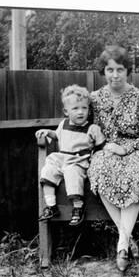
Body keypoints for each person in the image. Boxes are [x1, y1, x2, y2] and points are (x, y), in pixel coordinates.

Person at [87, 45, 139, 271]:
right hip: (107, 150)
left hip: (136, 151)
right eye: (110, 70)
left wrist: (127, 149)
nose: (114, 75)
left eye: (119, 69)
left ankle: (121, 243)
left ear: (127, 71)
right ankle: (125, 240)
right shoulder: (95, 98)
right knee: (98, 169)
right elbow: (77, 123)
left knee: (136, 173)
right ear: (103, 71)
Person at [36, 85, 105, 226]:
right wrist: (48, 132)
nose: (80, 112)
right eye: (75, 108)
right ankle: (51, 206)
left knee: (72, 172)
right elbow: (57, 136)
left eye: (84, 108)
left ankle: (78, 207)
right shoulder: (63, 124)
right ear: (66, 111)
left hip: (78, 160)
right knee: (47, 170)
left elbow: (102, 146)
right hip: (62, 158)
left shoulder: (92, 128)